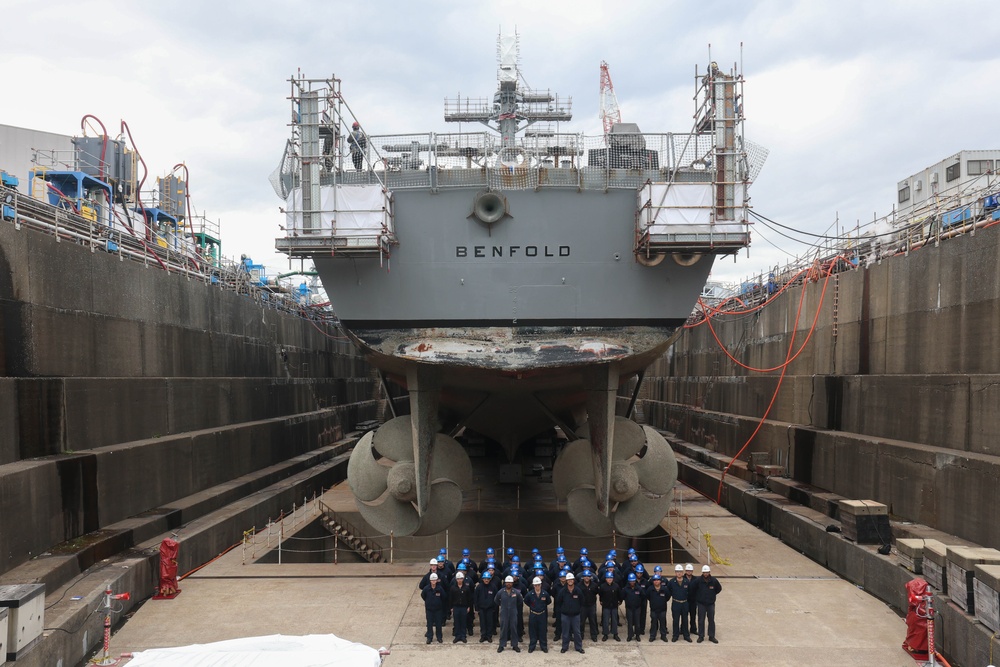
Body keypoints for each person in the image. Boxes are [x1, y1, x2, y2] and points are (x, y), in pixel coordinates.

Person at [690, 564, 722, 643]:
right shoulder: (698, 580)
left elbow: (719, 589)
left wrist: (712, 595)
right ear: (702, 572)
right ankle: (701, 636)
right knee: (701, 620)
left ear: (709, 572)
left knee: (711, 620)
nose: (706, 574)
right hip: (701, 604)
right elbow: (692, 588)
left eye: (707, 572)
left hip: (710, 604)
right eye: (704, 572)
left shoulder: (714, 581)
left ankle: (711, 636)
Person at [556, 572, 585, 654]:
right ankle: (564, 647)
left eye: (571, 580)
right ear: (566, 581)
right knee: (565, 632)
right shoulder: (562, 591)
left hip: (575, 615)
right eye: (568, 580)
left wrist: (577, 610)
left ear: (573, 580)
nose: (570, 581)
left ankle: (578, 647)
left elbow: (582, 601)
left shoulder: (578, 590)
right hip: (565, 615)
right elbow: (558, 602)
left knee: (577, 632)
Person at [495, 575, 523, 653]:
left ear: (512, 583)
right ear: (505, 583)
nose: (509, 584)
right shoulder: (501, 592)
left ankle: (515, 645)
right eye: (507, 582)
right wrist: (503, 606)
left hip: (513, 613)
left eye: (510, 583)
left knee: (514, 629)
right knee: (503, 629)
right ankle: (501, 645)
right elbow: (496, 600)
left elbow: (520, 601)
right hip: (504, 613)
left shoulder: (516, 592)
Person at [525, 576, 552, 653]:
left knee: (542, 631)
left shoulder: (545, 593)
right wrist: (532, 607)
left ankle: (543, 646)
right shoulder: (530, 594)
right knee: (532, 631)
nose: (537, 586)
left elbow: (548, 602)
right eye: (535, 585)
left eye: (538, 585)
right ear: (533, 586)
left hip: (542, 615)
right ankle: (532, 646)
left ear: (541, 585)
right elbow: (526, 601)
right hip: (533, 615)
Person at [667, 564, 692, 642]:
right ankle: (675, 635)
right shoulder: (671, 582)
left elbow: (690, 592)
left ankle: (686, 635)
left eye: (680, 572)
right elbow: (668, 592)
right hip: (676, 603)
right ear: (675, 572)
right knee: (675, 620)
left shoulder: (686, 581)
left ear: (682, 572)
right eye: (677, 572)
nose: (679, 573)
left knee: (685, 620)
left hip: (684, 603)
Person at [449, 571, 474, 643]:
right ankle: (457, 635)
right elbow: (450, 598)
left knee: (463, 621)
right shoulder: (453, 588)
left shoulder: (466, 588)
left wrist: (469, 606)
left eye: (461, 579)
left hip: (464, 607)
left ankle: (463, 636)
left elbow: (469, 598)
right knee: (456, 622)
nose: (459, 580)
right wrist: (451, 607)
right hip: (456, 607)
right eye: (458, 579)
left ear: (463, 579)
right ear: (456, 579)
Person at [421, 573, 446, 644]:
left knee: (438, 624)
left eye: (435, 580)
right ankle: (429, 637)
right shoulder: (426, 589)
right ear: (430, 580)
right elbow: (423, 596)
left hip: (438, 610)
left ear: (437, 580)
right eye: (432, 580)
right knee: (429, 624)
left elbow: (444, 597)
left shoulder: (440, 588)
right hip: (429, 610)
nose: (433, 581)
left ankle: (439, 637)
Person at [598, 570, 622, 641]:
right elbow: (600, 595)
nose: (609, 579)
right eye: (608, 578)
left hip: (614, 606)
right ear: (606, 579)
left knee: (614, 620)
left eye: (611, 578)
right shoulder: (602, 586)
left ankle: (615, 634)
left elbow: (619, 595)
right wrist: (601, 601)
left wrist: (620, 601)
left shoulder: (616, 586)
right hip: (606, 606)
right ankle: (605, 634)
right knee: (605, 620)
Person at [475, 571, 497, 643]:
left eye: (488, 578)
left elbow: (496, 598)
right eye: (485, 578)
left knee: (490, 623)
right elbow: (476, 598)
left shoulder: (493, 587)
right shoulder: (479, 587)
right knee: (482, 623)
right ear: (483, 579)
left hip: (490, 609)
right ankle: (483, 636)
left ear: (490, 579)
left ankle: (489, 636)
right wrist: (476, 608)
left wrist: (494, 608)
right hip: (481, 608)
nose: (486, 580)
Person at [646, 574, 669, 642]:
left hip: (662, 609)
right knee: (653, 623)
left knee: (663, 623)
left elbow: (667, 597)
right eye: (655, 580)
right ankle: (652, 636)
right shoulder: (650, 589)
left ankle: (663, 636)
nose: (656, 581)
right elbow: (648, 597)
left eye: (658, 580)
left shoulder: (664, 589)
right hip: (654, 610)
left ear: (660, 581)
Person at [579, 569, 599, 642]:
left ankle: (594, 635)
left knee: (593, 621)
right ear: (583, 577)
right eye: (585, 576)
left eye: (588, 576)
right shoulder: (579, 585)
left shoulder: (594, 585)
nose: (586, 578)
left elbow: (596, 593)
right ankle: (581, 635)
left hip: (591, 606)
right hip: (583, 606)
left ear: (590, 577)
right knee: (581, 622)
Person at [622, 573, 644, 641]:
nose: (632, 582)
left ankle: (637, 635)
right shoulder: (625, 589)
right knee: (630, 623)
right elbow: (622, 597)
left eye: (633, 581)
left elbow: (643, 596)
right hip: (629, 608)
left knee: (637, 623)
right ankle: (630, 635)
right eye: (631, 581)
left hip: (637, 608)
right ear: (629, 581)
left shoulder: (639, 589)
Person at [684, 563, 698, 636]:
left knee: (693, 615)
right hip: (685, 601)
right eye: (688, 571)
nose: (689, 572)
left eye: (690, 571)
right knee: (684, 616)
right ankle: (683, 629)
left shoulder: (696, 579)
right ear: (685, 571)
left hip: (693, 601)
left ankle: (693, 629)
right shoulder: (682, 578)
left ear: (692, 571)